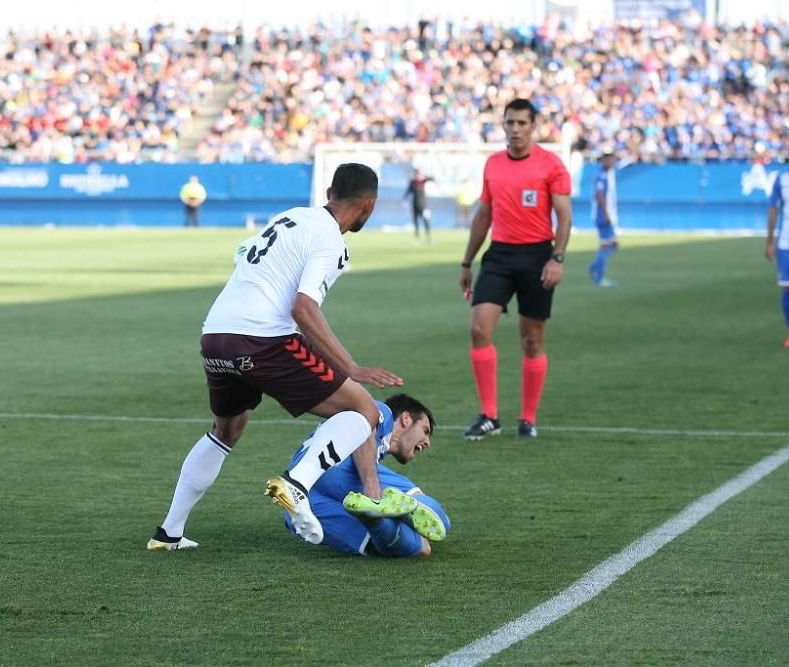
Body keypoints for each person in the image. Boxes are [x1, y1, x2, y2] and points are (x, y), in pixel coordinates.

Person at [148, 163, 408, 551]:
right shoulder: (331, 241)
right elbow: (304, 308)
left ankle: (168, 533)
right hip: (262, 339)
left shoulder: (290, 216)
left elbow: (244, 255)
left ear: (329, 193)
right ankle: (297, 484)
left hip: (216, 335)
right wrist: (351, 367)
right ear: (368, 206)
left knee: (227, 430)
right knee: (363, 411)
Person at [458, 98, 573, 440]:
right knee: (479, 328)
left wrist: (557, 257)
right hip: (500, 256)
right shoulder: (493, 164)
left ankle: (528, 418)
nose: (516, 129)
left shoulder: (552, 166)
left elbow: (564, 216)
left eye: (523, 123)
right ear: (504, 125)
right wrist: (467, 262)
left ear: (533, 126)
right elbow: (483, 216)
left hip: (538, 256)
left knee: (531, 338)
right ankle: (489, 415)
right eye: (510, 123)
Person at [281, 393, 450, 557]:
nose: (428, 442)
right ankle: (388, 507)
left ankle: (373, 518)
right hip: (336, 463)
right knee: (441, 521)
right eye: (425, 430)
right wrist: (371, 484)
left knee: (420, 548)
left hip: (302, 501)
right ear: (406, 418)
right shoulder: (382, 411)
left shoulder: (374, 450)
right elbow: (363, 420)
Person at [765, 136, 789, 349]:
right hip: (787, 245)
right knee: (788, 288)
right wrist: (769, 241)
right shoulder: (781, 179)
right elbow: (773, 209)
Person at [588, 149, 619, 287]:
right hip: (603, 216)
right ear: (605, 160)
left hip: (606, 214)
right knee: (606, 246)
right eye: (610, 159)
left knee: (613, 245)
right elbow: (599, 195)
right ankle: (598, 277)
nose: (613, 162)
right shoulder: (601, 175)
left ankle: (594, 267)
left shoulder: (607, 174)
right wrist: (606, 213)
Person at [404, 168, 433, 243]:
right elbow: (408, 192)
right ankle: (417, 238)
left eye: (418, 174)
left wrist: (426, 175)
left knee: (425, 221)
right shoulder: (412, 182)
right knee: (415, 222)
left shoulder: (423, 181)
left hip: (423, 205)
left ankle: (428, 237)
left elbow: (431, 178)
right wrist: (405, 200)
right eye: (416, 174)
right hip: (414, 205)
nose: (417, 176)